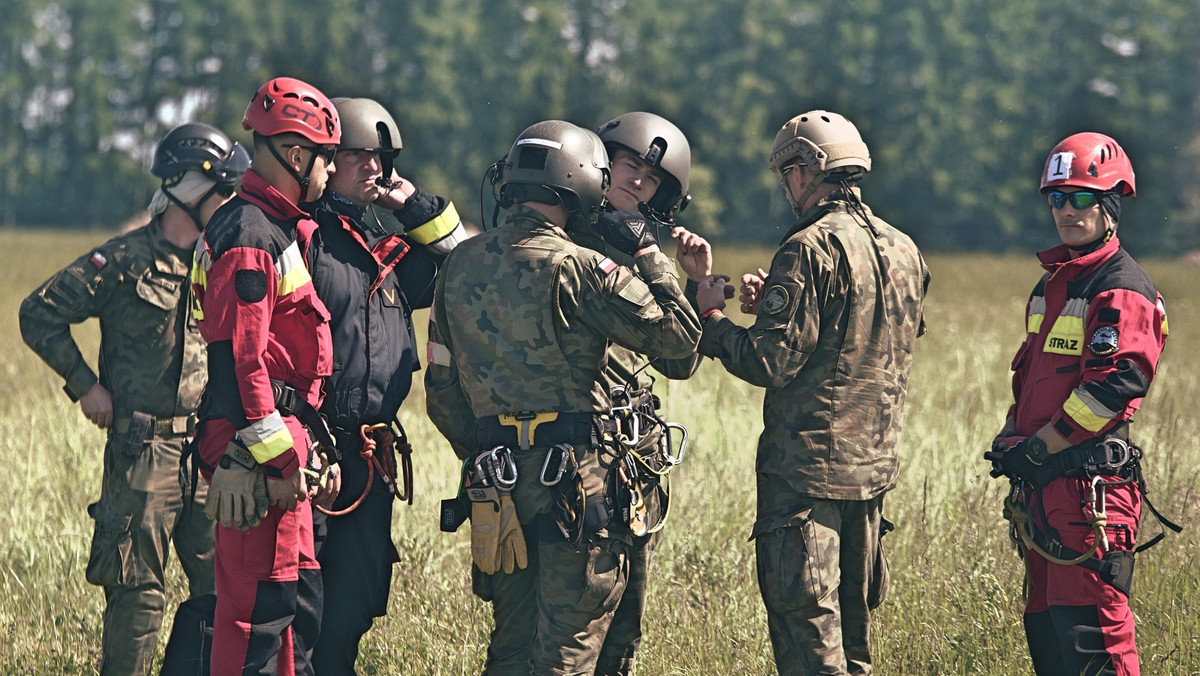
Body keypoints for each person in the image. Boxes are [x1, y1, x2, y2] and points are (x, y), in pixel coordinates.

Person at [424, 119, 701, 674]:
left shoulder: (458, 263)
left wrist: (494, 450)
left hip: (494, 485)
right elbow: (681, 345)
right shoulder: (580, 266)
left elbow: (441, 393)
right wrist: (650, 255)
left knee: (510, 648)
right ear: (582, 181)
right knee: (569, 653)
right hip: (577, 487)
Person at [694, 110, 929, 675]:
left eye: (787, 173)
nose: (786, 187)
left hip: (806, 477)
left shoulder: (809, 246)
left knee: (809, 640)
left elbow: (768, 361)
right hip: (871, 476)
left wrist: (711, 316)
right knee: (854, 645)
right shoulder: (904, 249)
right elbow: (879, 328)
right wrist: (777, 307)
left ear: (807, 170)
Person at [19, 121, 248, 675]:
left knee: (222, 590)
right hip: (141, 456)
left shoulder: (219, 259)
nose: (233, 201)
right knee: (138, 597)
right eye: (223, 188)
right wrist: (85, 386)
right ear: (191, 189)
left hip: (205, 455)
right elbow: (38, 314)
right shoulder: (122, 261)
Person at [983, 132, 1168, 675]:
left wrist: (1038, 449)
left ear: (1111, 205)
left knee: (1095, 644)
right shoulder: (1051, 286)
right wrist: (1011, 437)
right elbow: (1033, 379)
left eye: (1082, 198)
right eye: (1057, 198)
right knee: (1050, 644)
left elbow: (1114, 388)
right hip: (1043, 493)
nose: (1066, 210)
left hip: (1091, 498)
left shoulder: (1121, 288)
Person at [306, 96, 467, 674]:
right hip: (312, 450)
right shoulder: (306, 238)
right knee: (300, 601)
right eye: (358, 157)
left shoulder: (387, 249)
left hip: (371, 455)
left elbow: (464, 267)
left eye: (381, 158)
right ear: (326, 160)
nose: (373, 168)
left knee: (355, 600)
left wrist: (418, 207)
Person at [190, 76, 342, 676]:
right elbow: (242, 365)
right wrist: (278, 463)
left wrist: (307, 454)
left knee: (295, 611)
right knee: (257, 619)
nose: (330, 176)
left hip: (279, 444)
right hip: (257, 452)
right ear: (297, 156)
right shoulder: (252, 235)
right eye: (327, 161)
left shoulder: (275, 229)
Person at [568, 111, 709, 676]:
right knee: (572, 630)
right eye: (629, 165)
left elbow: (682, 361)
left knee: (624, 631)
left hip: (633, 462)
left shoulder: (645, 254)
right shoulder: (567, 242)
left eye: (650, 178)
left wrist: (692, 281)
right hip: (578, 456)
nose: (635, 182)